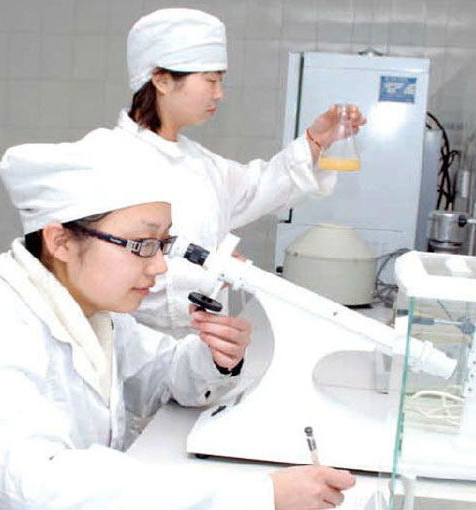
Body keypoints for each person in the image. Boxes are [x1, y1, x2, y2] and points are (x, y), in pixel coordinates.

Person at [0, 130, 355, 510]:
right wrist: (258, 497)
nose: (160, 265)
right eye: (141, 245)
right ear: (60, 241)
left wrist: (213, 358)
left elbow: (159, 375)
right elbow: (40, 490)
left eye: (162, 244)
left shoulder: (86, 306)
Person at [120, 8, 367, 339]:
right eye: (210, 80)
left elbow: (259, 187)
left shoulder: (200, 163)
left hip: (198, 348)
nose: (219, 93)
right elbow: (101, 271)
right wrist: (211, 272)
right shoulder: (110, 160)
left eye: (220, 81)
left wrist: (317, 140)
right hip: (130, 351)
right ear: (162, 79)